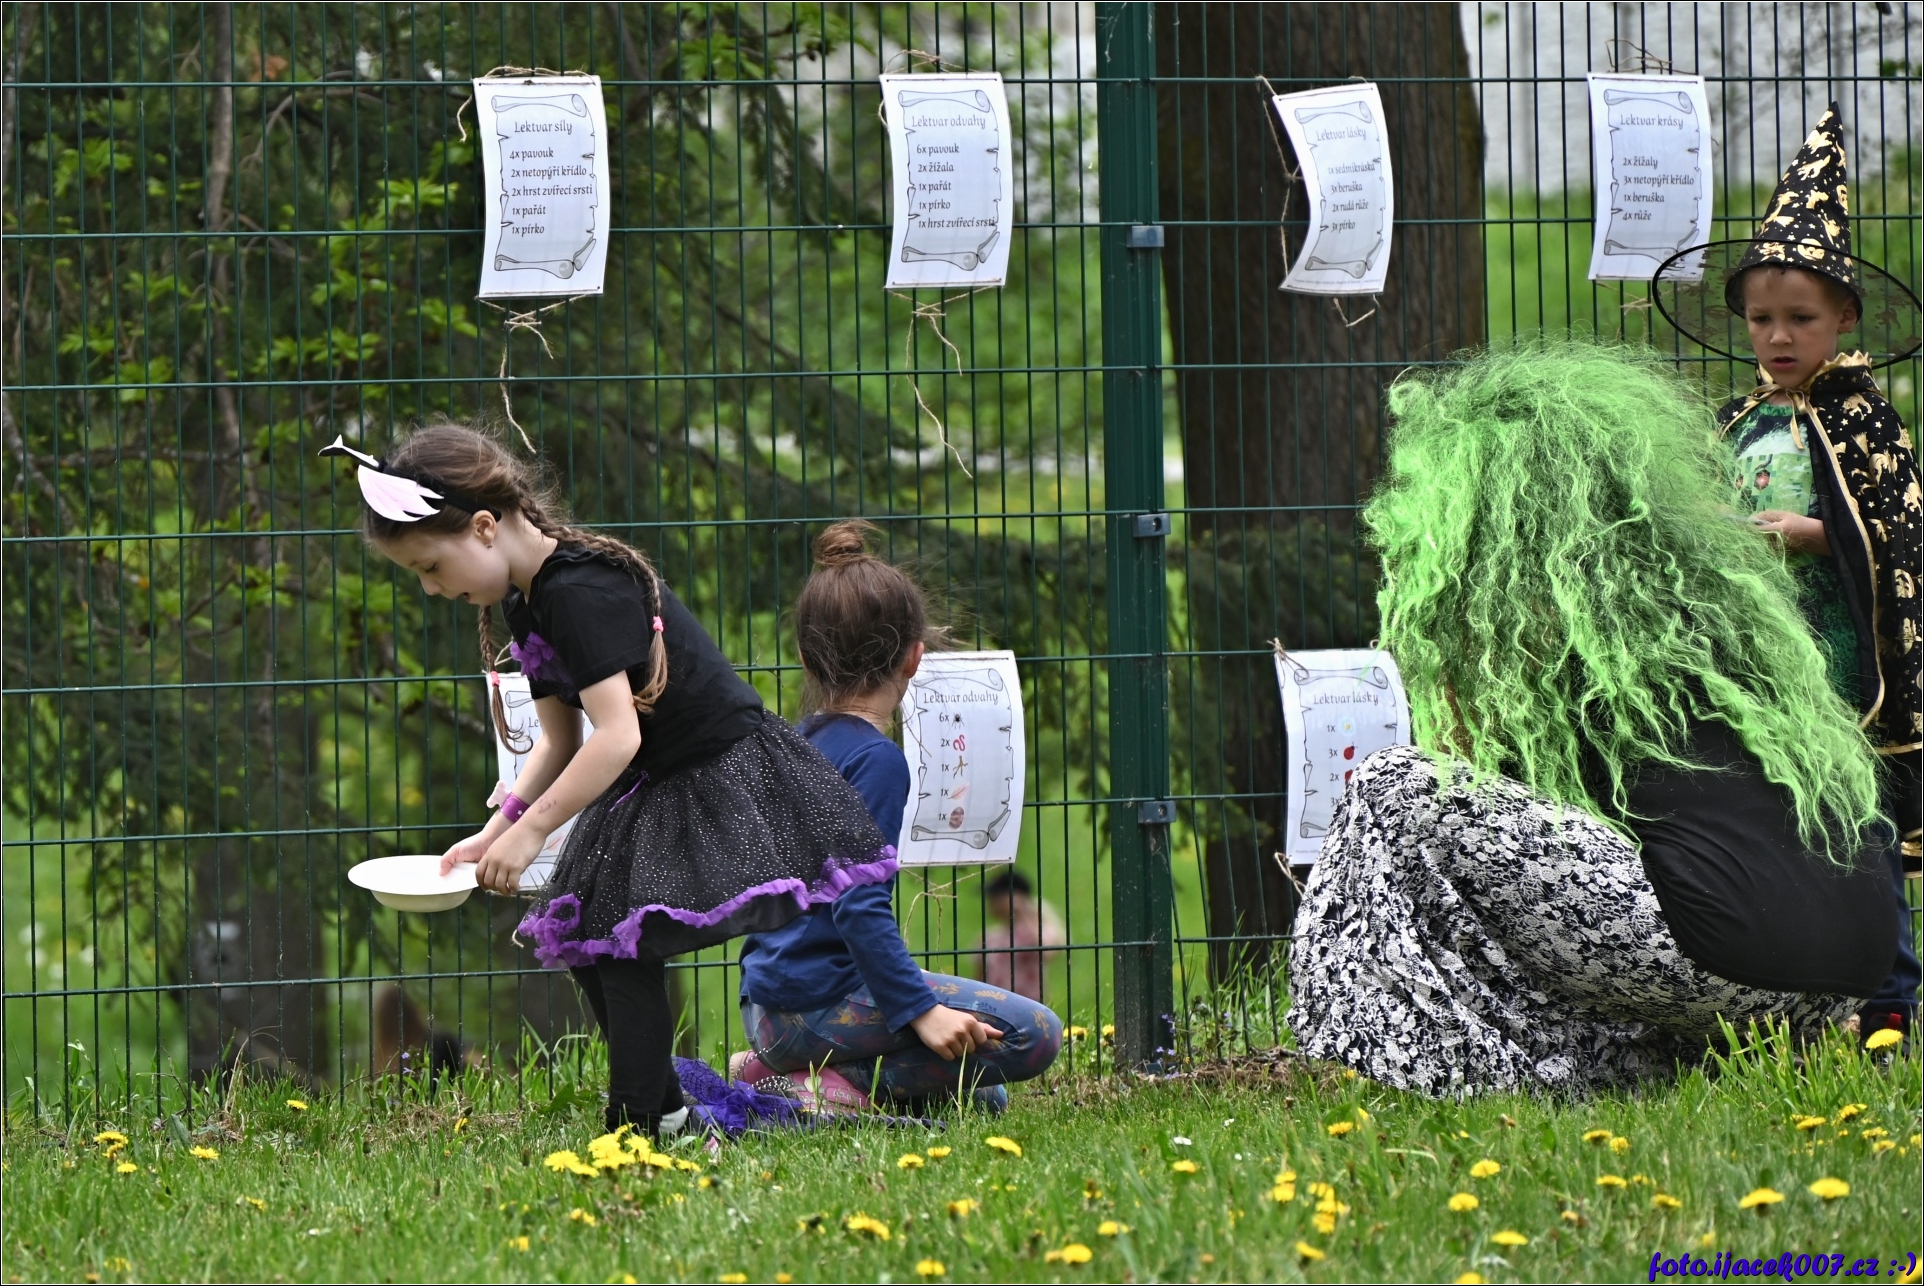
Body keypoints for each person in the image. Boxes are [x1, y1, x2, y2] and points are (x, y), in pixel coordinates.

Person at [1287, 342, 1898, 1096]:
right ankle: (1615, 1069)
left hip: (1730, 965)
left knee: (1394, 786)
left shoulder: (1555, 640)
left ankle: (1392, 1054)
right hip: (1836, 981)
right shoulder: (1713, 609)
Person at [321, 426, 897, 1138]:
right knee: (595, 937)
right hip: (656, 773)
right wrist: (497, 830)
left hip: (715, 768)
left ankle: (644, 1120)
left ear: (485, 526)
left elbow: (617, 734)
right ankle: (660, 1112)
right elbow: (562, 740)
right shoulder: (528, 601)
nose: (432, 588)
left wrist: (534, 830)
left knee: (623, 942)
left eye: (431, 566)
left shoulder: (578, 591)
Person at [1658, 102, 1922, 1045]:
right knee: (1780, 813)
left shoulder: (1862, 419)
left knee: (1861, 819)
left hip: (1843, 660)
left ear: (1843, 318)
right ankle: (1797, 996)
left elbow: (1901, 531)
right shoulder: (1737, 421)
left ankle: (1889, 1002)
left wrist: (1815, 535)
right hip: (1762, 660)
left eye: (1800, 319)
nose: (1777, 338)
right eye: (1761, 320)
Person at [732, 520, 1063, 1113]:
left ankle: (777, 1071)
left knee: (983, 1097)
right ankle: (809, 1088)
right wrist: (922, 1011)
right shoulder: (877, 761)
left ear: (805, 657)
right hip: (816, 1007)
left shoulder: (793, 746)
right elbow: (859, 906)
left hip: (765, 1007)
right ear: (915, 658)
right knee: (1034, 1033)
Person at [968, 869, 1065, 1002]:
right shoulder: (990, 937)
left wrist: (1024, 913)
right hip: (995, 1005)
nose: (991, 902)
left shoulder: (1036, 930)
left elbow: (1047, 952)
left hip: (1029, 1004)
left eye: (996, 897)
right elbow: (979, 979)